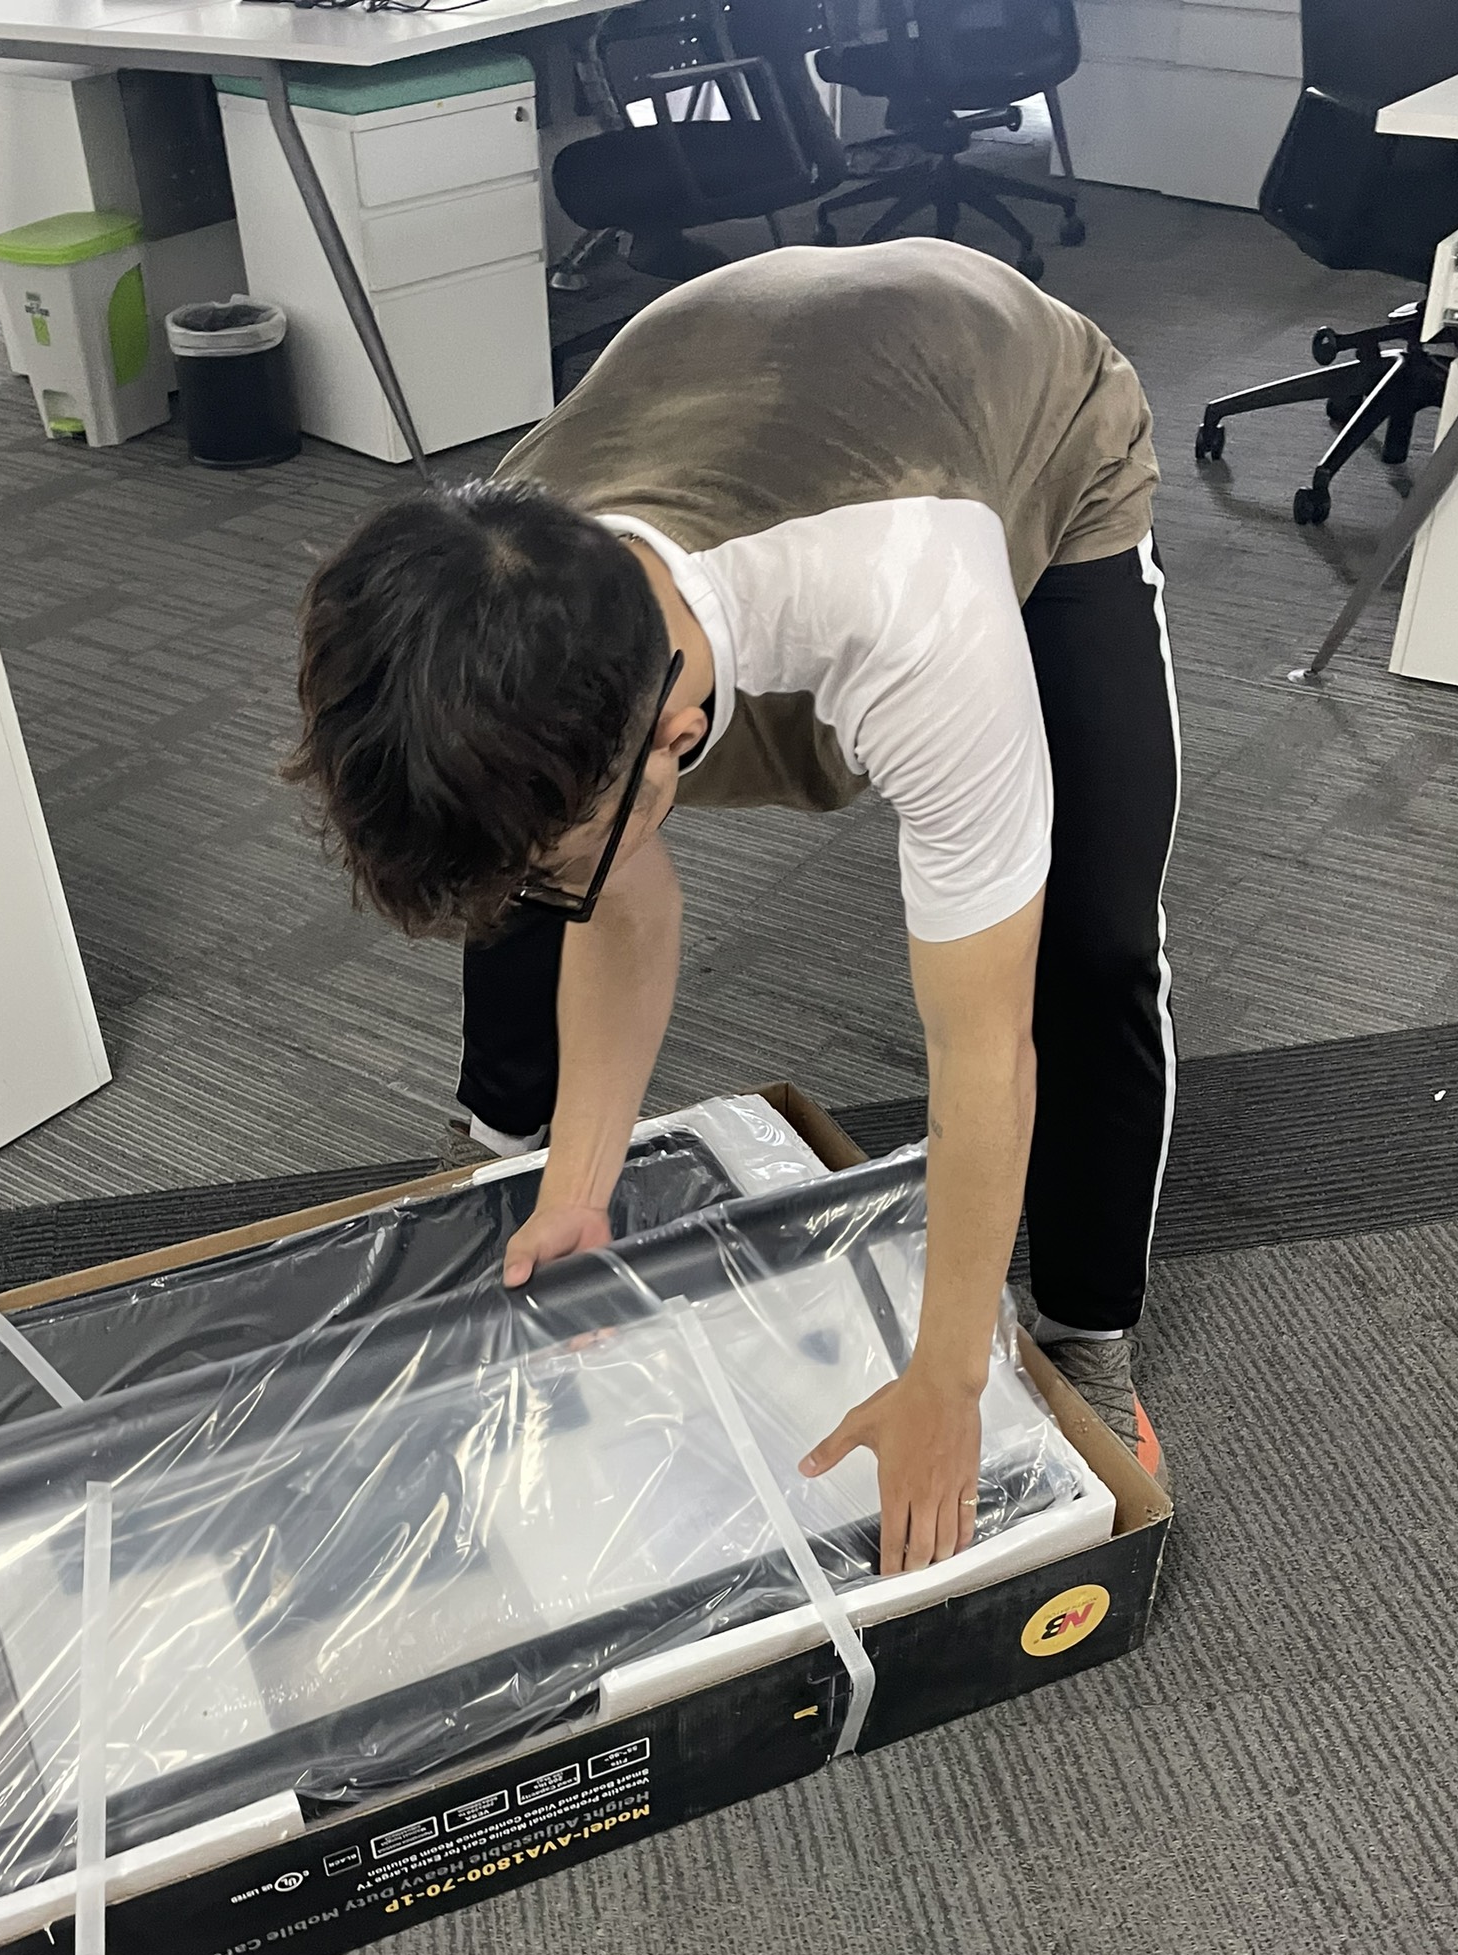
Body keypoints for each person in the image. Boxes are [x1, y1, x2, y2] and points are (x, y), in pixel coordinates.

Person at [284, 238, 1178, 1574]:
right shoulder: (498, 579)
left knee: (1088, 947)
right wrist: (577, 1188)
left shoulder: (914, 612)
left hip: (1020, 411)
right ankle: (508, 1154)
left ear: (675, 738)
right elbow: (617, 904)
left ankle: (1089, 1334)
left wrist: (948, 1378)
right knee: (530, 871)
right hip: (727, 380)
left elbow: (980, 1050)